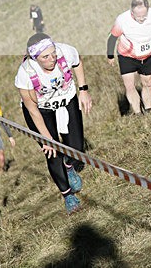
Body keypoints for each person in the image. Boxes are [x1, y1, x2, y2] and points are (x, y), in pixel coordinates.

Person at [15, 33, 93, 214]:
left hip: (67, 99)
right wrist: (47, 139)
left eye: (53, 54)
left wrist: (83, 90)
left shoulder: (64, 51)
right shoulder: (26, 73)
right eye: (45, 57)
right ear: (35, 58)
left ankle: (69, 165)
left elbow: (78, 62)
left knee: (76, 148)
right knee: (52, 152)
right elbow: (32, 109)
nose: (52, 59)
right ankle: (68, 195)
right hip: (40, 110)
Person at [107, 0, 151, 115]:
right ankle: (138, 113)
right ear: (132, 12)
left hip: (147, 55)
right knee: (129, 86)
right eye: (138, 16)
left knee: (148, 83)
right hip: (126, 56)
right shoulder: (122, 20)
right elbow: (112, 38)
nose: (141, 19)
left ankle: (148, 110)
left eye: (144, 16)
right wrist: (110, 56)